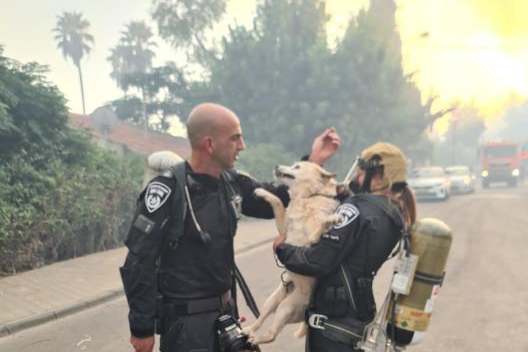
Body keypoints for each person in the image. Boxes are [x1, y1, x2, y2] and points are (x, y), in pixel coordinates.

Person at [120, 102, 340, 352]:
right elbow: (138, 262)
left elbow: (280, 196)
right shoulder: (168, 190)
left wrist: (313, 161)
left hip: (225, 317)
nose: (242, 146)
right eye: (235, 138)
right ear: (210, 144)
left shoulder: (233, 184)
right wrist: (141, 328)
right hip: (186, 328)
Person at [273, 142, 417, 352]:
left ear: (378, 176)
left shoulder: (355, 209)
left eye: (361, 172)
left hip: (332, 325)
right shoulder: (394, 216)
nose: (358, 177)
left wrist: (282, 249)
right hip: (357, 318)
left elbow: (317, 261)